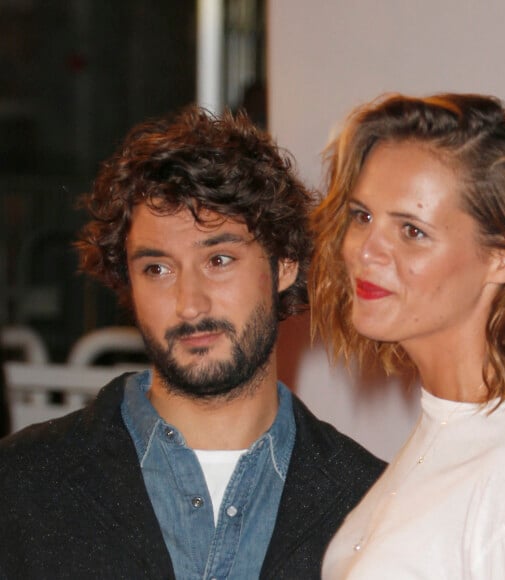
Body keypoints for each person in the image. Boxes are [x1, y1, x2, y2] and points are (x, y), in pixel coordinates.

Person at [0, 105, 385, 579]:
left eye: (219, 260)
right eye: (157, 269)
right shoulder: (21, 487)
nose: (189, 304)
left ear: (283, 264)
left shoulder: (374, 504)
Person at [309, 92, 505, 578]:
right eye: (362, 215)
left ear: (503, 256)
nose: (366, 251)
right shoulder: (454, 429)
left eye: (411, 231)